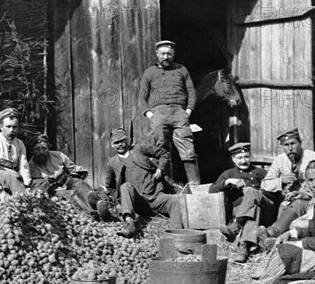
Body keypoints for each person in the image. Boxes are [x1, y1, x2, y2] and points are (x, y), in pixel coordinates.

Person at [139, 40, 201, 185]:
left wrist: (188, 111)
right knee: (161, 149)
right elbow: (142, 97)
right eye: (163, 54)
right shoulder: (150, 72)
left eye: (169, 54)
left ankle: (195, 186)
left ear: (173, 54)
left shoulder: (182, 69)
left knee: (188, 149)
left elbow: (191, 92)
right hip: (158, 114)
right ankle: (167, 185)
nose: (166, 57)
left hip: (179, 113)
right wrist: (150, 114)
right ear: (157, 54)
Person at [103, 128, 183, 238]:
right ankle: (130, 224)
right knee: (125, 186)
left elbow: (163, 154)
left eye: (122, 141)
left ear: (127, 140)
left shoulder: (139, 149)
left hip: (156, 197)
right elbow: (110, 188)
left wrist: (160, 169)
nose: (120, 145)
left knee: (176, 200)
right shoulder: (111, 164)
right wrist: (119, 203)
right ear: (112, 145)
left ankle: (175, 234)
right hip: (138, 203)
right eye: (116, 143)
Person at [210, 143, 274, 263]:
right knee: (254, 211)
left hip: (265, 210)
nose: (243, 161)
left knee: (252, 194)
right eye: (239, 158)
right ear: (233, 159)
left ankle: (236, 226)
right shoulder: (228, 174)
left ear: (250, 157)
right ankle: (244, 249)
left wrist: (257, 192)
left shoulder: (260, 172)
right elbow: (212, 190)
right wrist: (228, 182)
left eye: (246, 157)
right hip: (241, 211)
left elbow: (274, 193)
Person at [28, 134, 103, 217]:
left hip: (67, 181)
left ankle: (98, 202)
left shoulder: (58, 155)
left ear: (48, 148)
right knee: (72, 195)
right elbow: (40, 188)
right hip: (54, 190)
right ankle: (93, 212)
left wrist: (81, 171)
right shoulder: (30, 167)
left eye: (44, 148)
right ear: (32, 151)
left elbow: (72, 168)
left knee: (79, 183)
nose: (41, 152)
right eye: (37, 149)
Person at [0, 108, 31, 201]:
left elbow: (23, 166)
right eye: (8, 126)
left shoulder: (20, 144)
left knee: (38, 183)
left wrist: (27, 184)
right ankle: (25, 201)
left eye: (15, 127)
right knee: (10, 175)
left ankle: (28, 198)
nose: (12, 130)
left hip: (14, 179)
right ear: (1, 127)